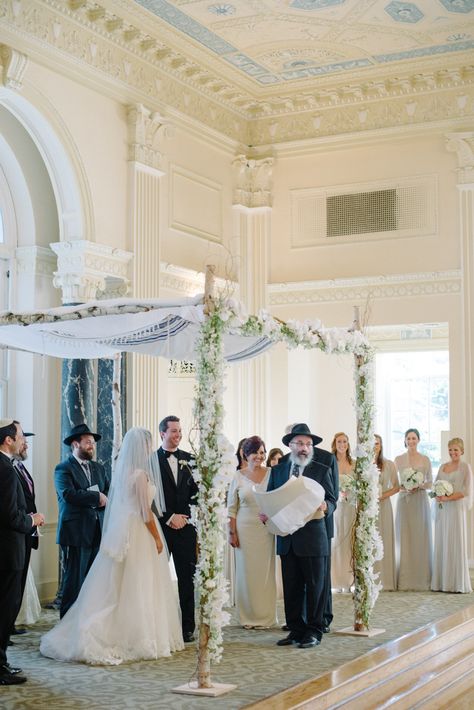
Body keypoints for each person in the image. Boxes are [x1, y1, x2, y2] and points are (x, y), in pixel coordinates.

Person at [40, 427, 183, 664]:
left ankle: (126, 626)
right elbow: (144, 511)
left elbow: (113, 496)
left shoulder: (121, 471)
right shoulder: (137, 474)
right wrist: (157, 538)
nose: (149, 448)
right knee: (130, 580)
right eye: (147, 444)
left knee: (121, 581)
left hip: (122, 529)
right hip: (130, 530)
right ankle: (119, 631)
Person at [265, 423, 337, 649]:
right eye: (300, 443)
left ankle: (314, 631)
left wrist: (326, 506)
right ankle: (295, 629)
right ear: (290, 445)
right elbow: (271, 497)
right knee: (292, 586)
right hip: (287, 537)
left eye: (308, 444)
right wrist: (265, 513)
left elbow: (333, 500)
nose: (305, 448)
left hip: (314, 536)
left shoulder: (322, 466)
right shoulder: (278, 469)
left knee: (316, 586)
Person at [0, 419, 45, 685]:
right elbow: (10, 515)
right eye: (19, 435)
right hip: (7, 550)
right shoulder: (5, 469)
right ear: (8, 440)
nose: (22, 440)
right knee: (5, 609)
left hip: (8, 549)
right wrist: (33, 520)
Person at [55, 423, 110, 618]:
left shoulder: (99, 468)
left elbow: (107, 491)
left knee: (92, 581)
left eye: (93, 443)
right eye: (88, 443)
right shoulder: (63, 469)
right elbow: (68, 494)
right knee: (74, 581)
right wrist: (96, 498)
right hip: (75, 532)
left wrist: (104, 499)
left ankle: (86, 622)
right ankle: (67, 625)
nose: (92, 446)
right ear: (75, 444)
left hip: (97, 529)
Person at [228, 436, 277, 629]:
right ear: (245, 454)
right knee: (246, 572)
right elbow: (231, 508)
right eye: (256, 452)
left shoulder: (272, 473)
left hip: (266, 529)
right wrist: (232, 533)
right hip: (244, 527)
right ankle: (248, 616)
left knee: (265, 572)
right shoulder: (237, 476)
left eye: (263, 452)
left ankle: (266, 616)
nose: (260, 456)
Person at [157, 415, 198, 643]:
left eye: (180, 431)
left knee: (187, 579)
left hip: (186, 528)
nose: (178, 435)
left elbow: (198, 494)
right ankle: (162, 625)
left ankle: (187, 627)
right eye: (173, 431)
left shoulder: (191, 460)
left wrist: (186, 517)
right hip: (161, 528)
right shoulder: (151, 460)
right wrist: (169, 517)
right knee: (159, 579)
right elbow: (150, 497)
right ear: (163, 433)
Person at [431, 438, 473, 593]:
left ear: (461, 451)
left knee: (455, 541)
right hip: (443, 509)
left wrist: (448, 497)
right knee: (443, 540)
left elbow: (467, 491)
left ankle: (456, 583)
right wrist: (437, 495)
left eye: (455, 449)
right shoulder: (443, 466)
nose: (452, 452)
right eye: (450, 449)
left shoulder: (465, 467)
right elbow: (435, 485)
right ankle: (442, 582)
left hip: (455, 509)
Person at [395, 428, 433, 591]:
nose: (411, 441)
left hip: (420, 501)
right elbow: (394, 483)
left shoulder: (425, 459)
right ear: (405, 440)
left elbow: (430, 482)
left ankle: (421, 578)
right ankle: (405, 579)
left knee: (420, 537)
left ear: (418, 440)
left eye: (414, 438)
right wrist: (405, 487)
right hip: (404, 501)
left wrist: (419, 485)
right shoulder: (398, 459)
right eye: (408, 438)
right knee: (405, 537)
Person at [12, 430, 38, 633]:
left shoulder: (20, 467)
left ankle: (9, 623)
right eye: (23, 440)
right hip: (16, 530)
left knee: (18, 582)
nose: (26, 445)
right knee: (11, 585)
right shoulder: (8, 469)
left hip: (27, 530)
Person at [373, 435, 399, 591]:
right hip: (369, 508)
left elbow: (397, 487)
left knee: (385, 538)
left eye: (377, 444)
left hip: (384, 505)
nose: (375, 446)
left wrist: (381, 496)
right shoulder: (363, 464)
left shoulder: (389, 464)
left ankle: (386, 580)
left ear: (381, 445)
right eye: (372, 444)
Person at [331, 432, 356, 591]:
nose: (342, 444)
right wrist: (338, 492)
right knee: (337, 540)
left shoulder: (354, 463)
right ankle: (336, 581)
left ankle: (349, 581)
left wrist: (350, 491)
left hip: (351, 505)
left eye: (345, 441)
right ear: (335, 443)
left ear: (348, 444)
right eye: (339, 441)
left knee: (350, 542)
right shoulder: (331, 462)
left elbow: (360, 484)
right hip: (337, 506)